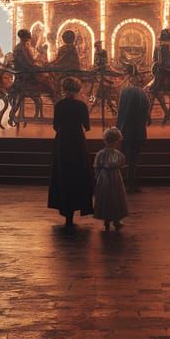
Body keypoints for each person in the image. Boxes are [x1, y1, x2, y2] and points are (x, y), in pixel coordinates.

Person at [47, 76, 92, 228]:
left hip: (62, 141)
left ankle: (65, 210)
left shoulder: (59, 105)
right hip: (77, 141)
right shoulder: (81, 106)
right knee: (78, 172)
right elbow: (87, 126)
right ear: (78, 90)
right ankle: (77, 205)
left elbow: (55, 125)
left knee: (63, 173)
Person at [116, 71, 151, 193]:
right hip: (137, 131)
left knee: (122, 157)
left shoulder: (124, 91)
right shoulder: (143, 93)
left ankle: (118, 184)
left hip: (124, 129)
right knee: (133, 159)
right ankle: (131, 184)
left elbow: (119, 109)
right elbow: (147, 111)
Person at [93, 127, 129, 231]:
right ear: (116, 141)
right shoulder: (117, 154)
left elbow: (97, 166)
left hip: (103, 177)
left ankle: (106, 220)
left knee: (106, 197)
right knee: (116, 197)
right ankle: (116, 220)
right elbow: (122, 163)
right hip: (115, 177)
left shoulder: (100, 153)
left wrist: (97, 177)